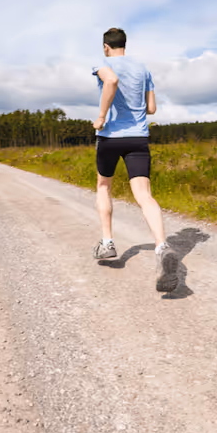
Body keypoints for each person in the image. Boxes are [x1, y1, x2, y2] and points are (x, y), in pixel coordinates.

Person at [91, 27, 179, 292]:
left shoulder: (102, 63)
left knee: (104, 186)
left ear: (106, 46)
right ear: (124, 45)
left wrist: (102, 116)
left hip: (109, 137)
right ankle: (162, 246)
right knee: (144, 195)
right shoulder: (143, 68)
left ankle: (107, 243)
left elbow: (111, 81)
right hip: (138, 138)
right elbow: (151, 108)